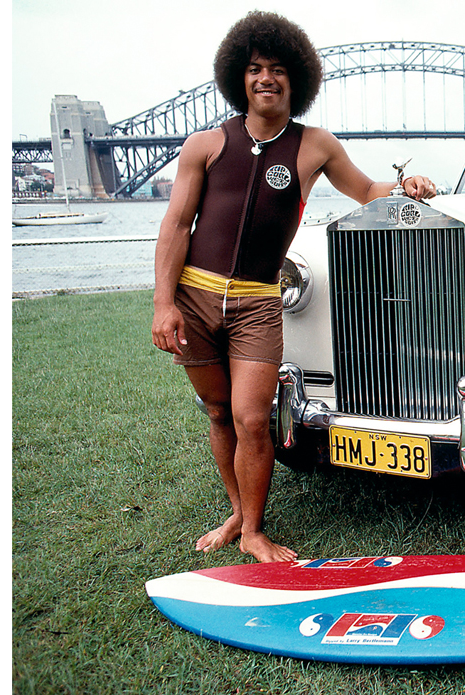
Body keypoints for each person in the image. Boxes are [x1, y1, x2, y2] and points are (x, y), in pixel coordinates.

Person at [151, 11, 437, 562]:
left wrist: (405, 185)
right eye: (255, 69)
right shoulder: (204, 145)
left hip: (259, 301)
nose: (266, 79)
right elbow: (174, 227)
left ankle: (254, 532)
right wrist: (165, 304)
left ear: (296, 80)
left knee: (253, 417)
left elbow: (366, 191)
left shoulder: (315, 146)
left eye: (278, 70)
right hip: (196, 294)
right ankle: (237, 511)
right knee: (217, 412)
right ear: (240, 77)